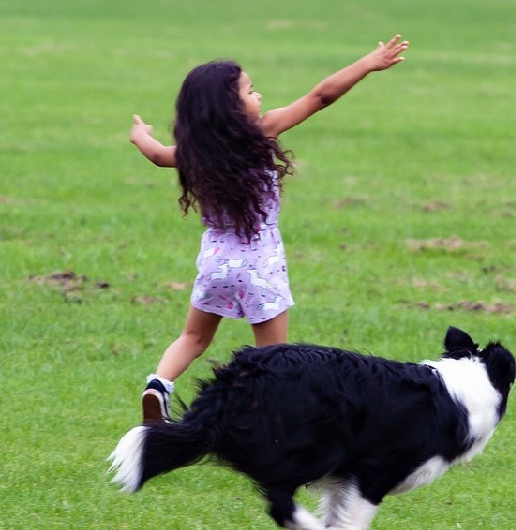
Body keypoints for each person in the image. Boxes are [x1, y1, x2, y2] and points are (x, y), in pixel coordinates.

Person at [128, 34, 409, 422]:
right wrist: (367, 63)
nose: (258, 96)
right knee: (273, 358)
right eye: (250, 90)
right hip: (260, 267)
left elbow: (159, 155)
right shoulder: (263, 132)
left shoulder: (195, 152)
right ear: (231, 107)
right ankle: (260, 420)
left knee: (193, 338)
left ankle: (159, 384)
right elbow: (321, 96)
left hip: (215, 264)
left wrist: (140, 135)